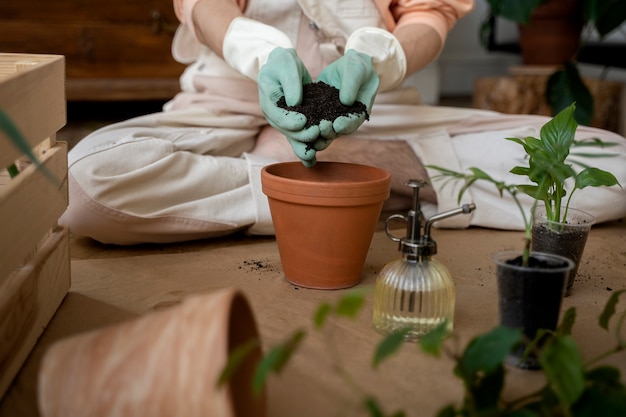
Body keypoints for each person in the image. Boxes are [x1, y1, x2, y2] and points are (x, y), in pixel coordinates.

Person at [59, 0, 626, 245]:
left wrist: (380, 59)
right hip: (228, 111)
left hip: (378, 116)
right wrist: (255, 51)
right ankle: (358, 190)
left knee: (608, 165)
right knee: (89, 182)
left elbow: (428, 14)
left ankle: (340, 175)